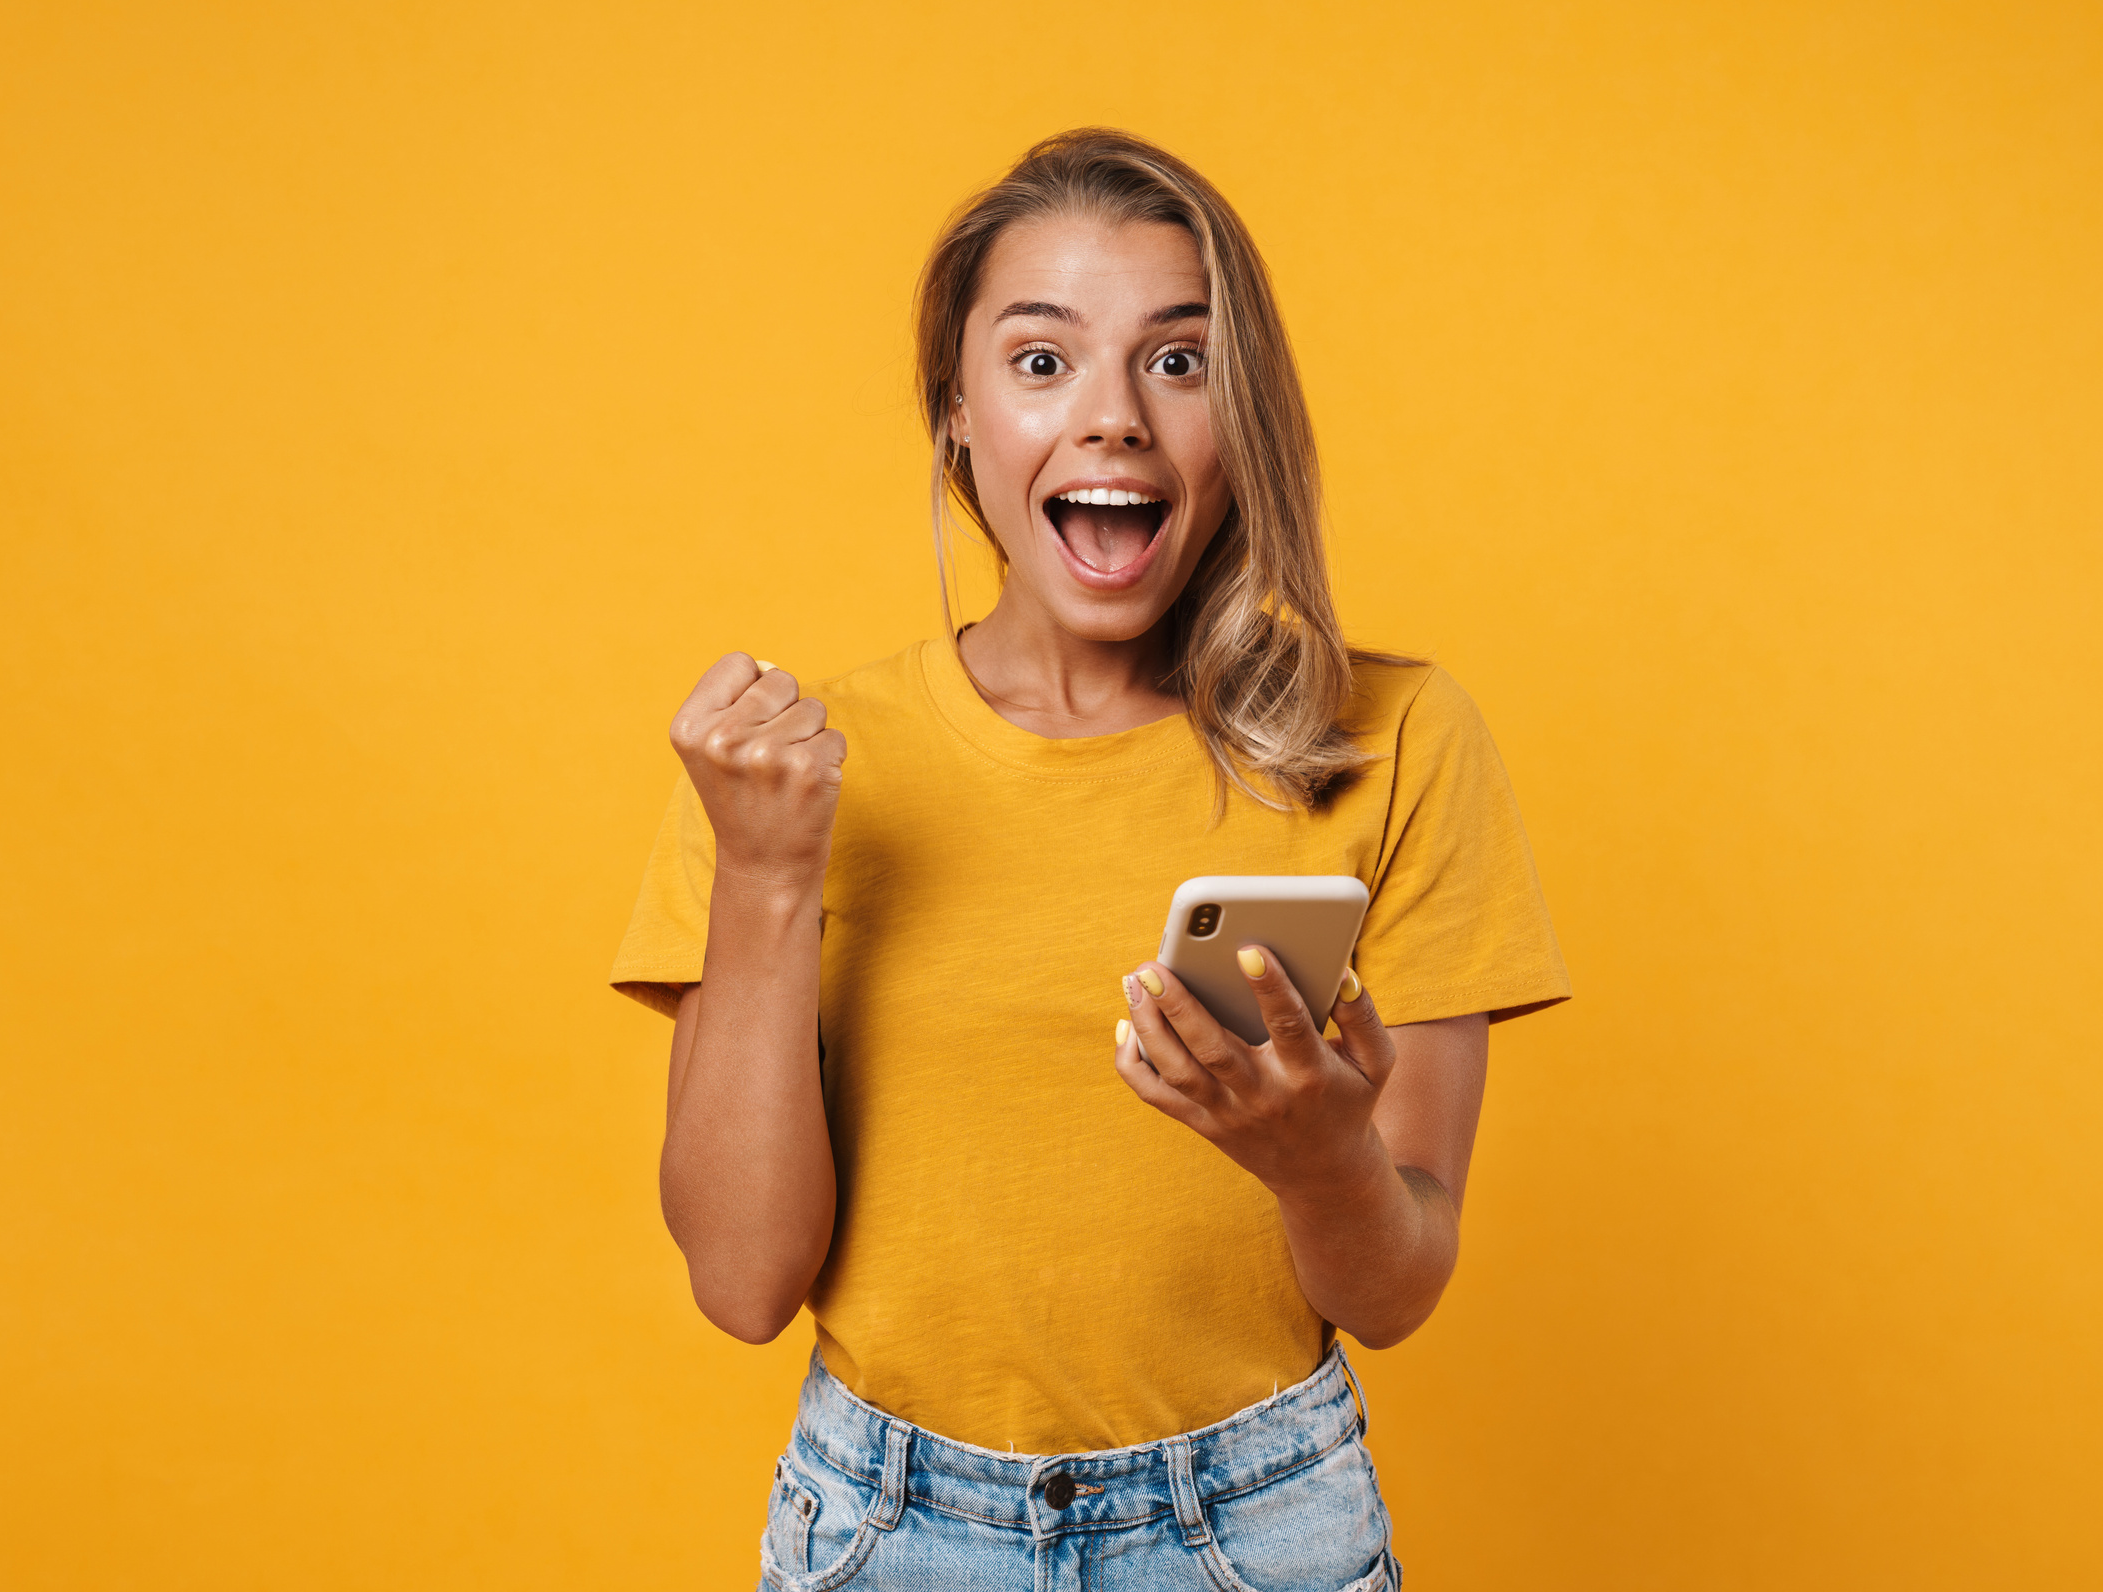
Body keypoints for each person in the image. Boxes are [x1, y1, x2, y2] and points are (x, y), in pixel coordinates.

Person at [613, 127, 1569, 1591]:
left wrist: (1319, 1164)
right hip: (885, 1529)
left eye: (1176, 362)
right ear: (957, 416)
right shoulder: (793, 770)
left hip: (1259, 1528)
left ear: (1241, 416)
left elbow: (1394, 1293)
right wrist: (764, 879)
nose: (1111, 417)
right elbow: (743, 1287)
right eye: (1041, 361)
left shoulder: (1396, 740)